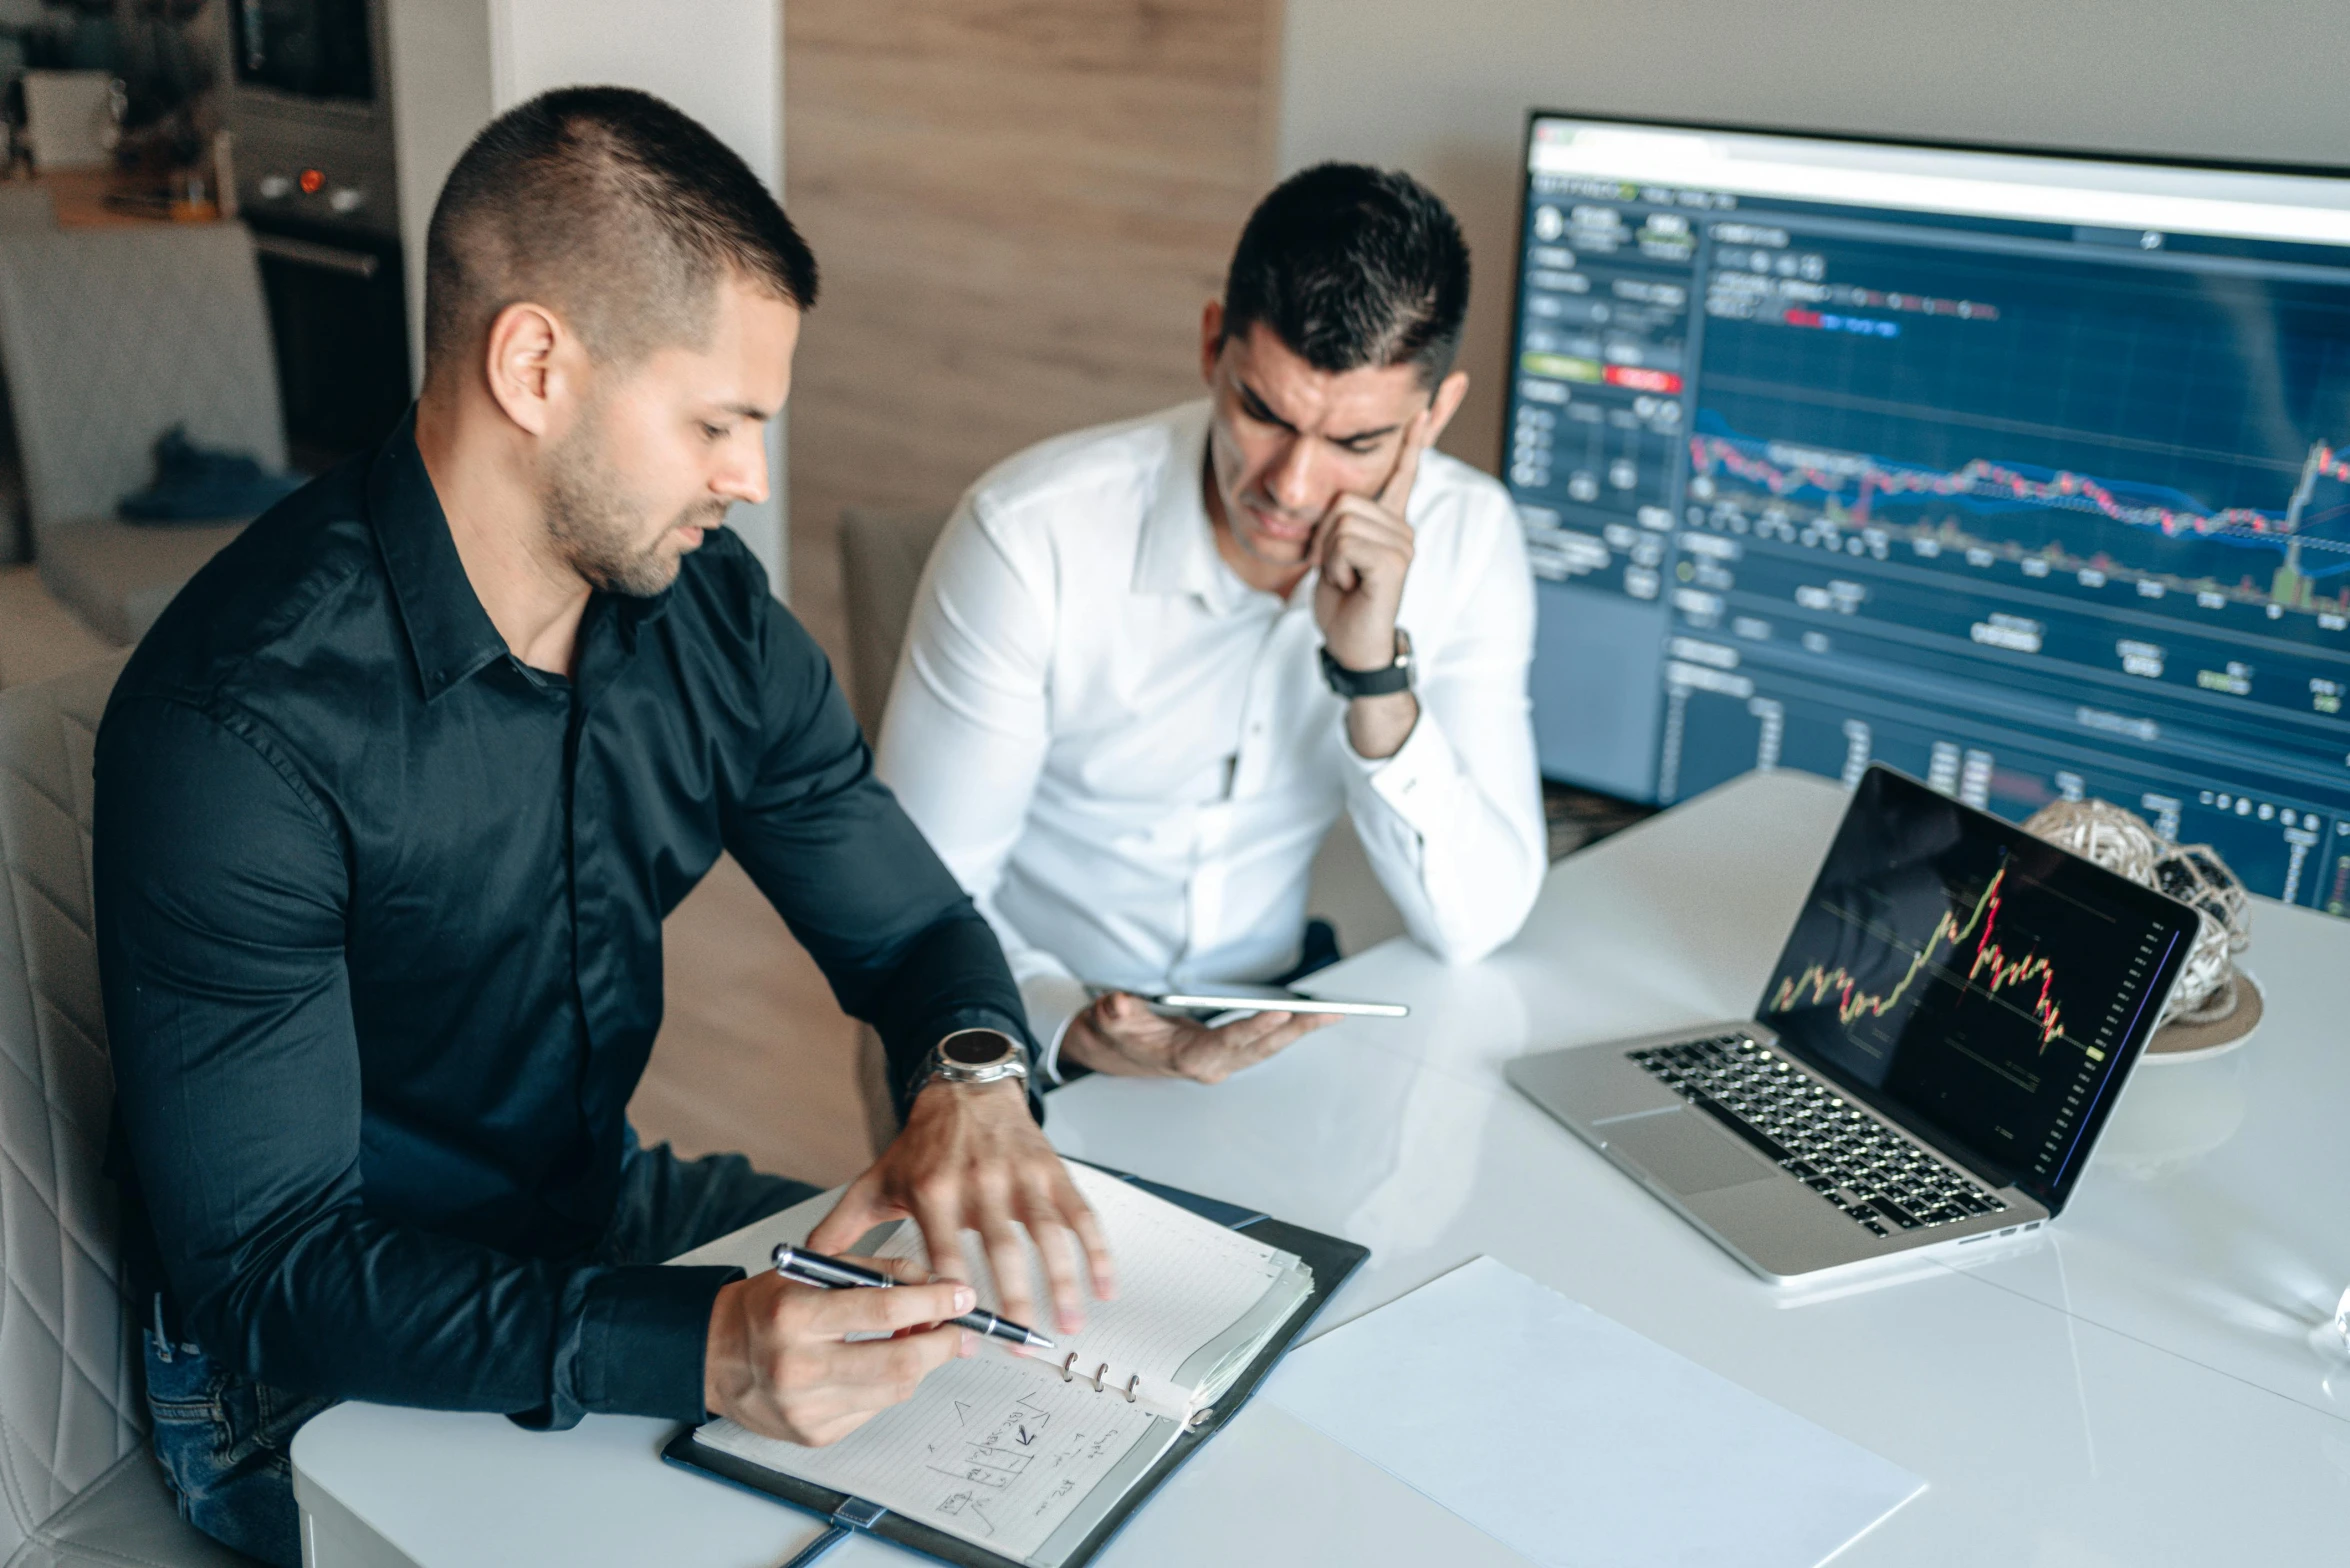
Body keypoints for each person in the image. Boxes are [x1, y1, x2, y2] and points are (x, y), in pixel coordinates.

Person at [93, 88, 1109, 1568]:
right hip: (301, 1370)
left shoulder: (702, 615)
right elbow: (271, 1270)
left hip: (589, 1214)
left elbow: (910, 927)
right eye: (716, 421)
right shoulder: (237, 729)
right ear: (535, 365)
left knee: (1027, 1356)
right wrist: (703, 1347)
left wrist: (971, 1075)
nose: (749, 478)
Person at [877, 163, 1547, 1087]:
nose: (1293, 489)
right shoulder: (1031, 537)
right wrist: (1067, 1026)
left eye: (1356, 444)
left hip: (1280, 1025)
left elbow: (1478, 921)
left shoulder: (1472, 538)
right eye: (1263, 412)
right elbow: (915, 907)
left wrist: (1373, 676)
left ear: (1432, 416)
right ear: (1210, 347)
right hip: (1037, 1028)